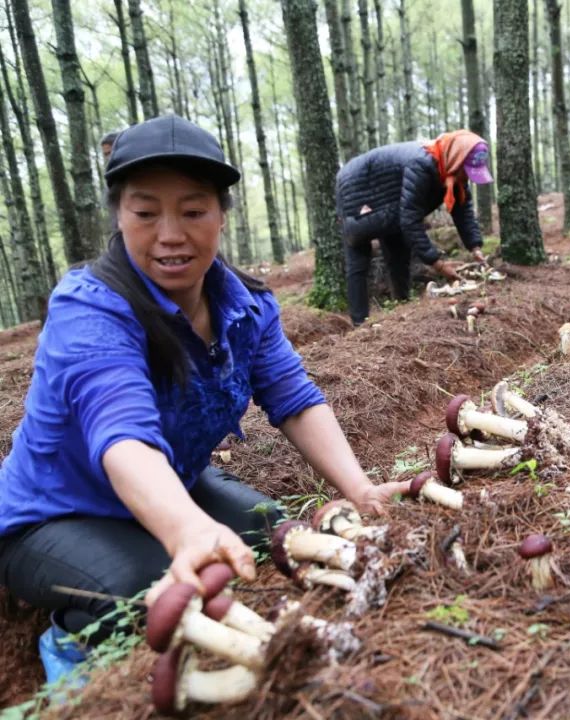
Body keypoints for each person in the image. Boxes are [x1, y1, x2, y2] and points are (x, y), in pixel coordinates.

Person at [0, 115, 410, 682]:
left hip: (172, 482)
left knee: (275, 534)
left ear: (221, 215)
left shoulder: (244, 306)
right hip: (56, 513)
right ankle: (68, 639)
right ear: (119, 216)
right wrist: (187, 531)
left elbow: (293, 397)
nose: (171, 234)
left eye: (193, 211)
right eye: (146, 213)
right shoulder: (90, 310)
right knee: (141, 592)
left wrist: (360, 489)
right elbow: (123, 435)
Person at [336, 130, 493, 325]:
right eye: (466, 171)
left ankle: (400, 308)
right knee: (358, 259)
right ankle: (360, 324)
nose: (467, 178)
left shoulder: (452, 172)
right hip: (357, 187)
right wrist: (437, 263)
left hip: (391, 201)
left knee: (399, 254)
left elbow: (462, 209)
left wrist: (475, 246)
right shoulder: (422, 165)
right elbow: (409, 219)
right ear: (457, 158)